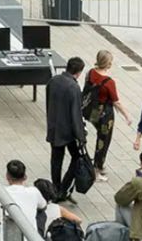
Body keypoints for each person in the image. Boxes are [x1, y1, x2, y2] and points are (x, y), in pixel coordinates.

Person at [0, 158, 82, 241]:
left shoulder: (0, 194)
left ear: (7, 176)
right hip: (31, 237)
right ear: (25, 177)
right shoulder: (33, 192)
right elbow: (43, 206)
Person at [47, 55, 87, 199]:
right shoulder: (74, 87)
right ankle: (64, 187)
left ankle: (55, 188)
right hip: (68, 131)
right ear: (79, 72)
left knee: (56, 160)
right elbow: (76, 114)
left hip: (54, 126)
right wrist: (81, 136)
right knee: (77, 157)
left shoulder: (53, 81)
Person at [87, 49, 135, 169]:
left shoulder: (90, 73)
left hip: (93, 110)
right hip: (105, 115)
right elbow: (116, 102)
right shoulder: (109, 82)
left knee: (100, 134)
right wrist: (127, 115)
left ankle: (97, 163)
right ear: (108, 63)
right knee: (104, 139)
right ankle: (98, 166)